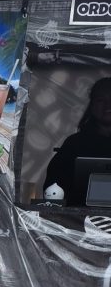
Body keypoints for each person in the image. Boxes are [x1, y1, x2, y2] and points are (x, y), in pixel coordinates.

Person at [44, 76, 111, 206]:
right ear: (91, 106)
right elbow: (53, 188)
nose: (108, 105)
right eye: (101, 100)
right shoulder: (74, 144)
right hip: (79, 221)